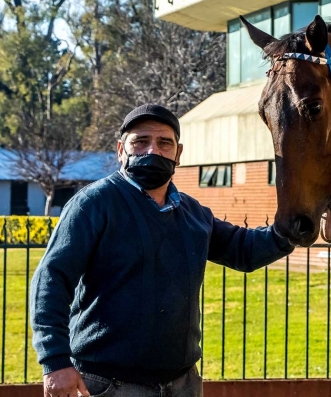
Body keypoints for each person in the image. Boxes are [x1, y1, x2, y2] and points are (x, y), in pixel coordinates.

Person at [30, 104, 295, 397]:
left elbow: (245, 250)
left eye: (164, 143)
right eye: (140, 141)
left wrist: (297, 226)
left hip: (182, 384)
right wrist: (55, 362)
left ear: (178, 154)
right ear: (121, 150)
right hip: (108, 385)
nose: (152, 151)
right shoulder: (93, 205)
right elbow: (51, 280)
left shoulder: (193, 213)